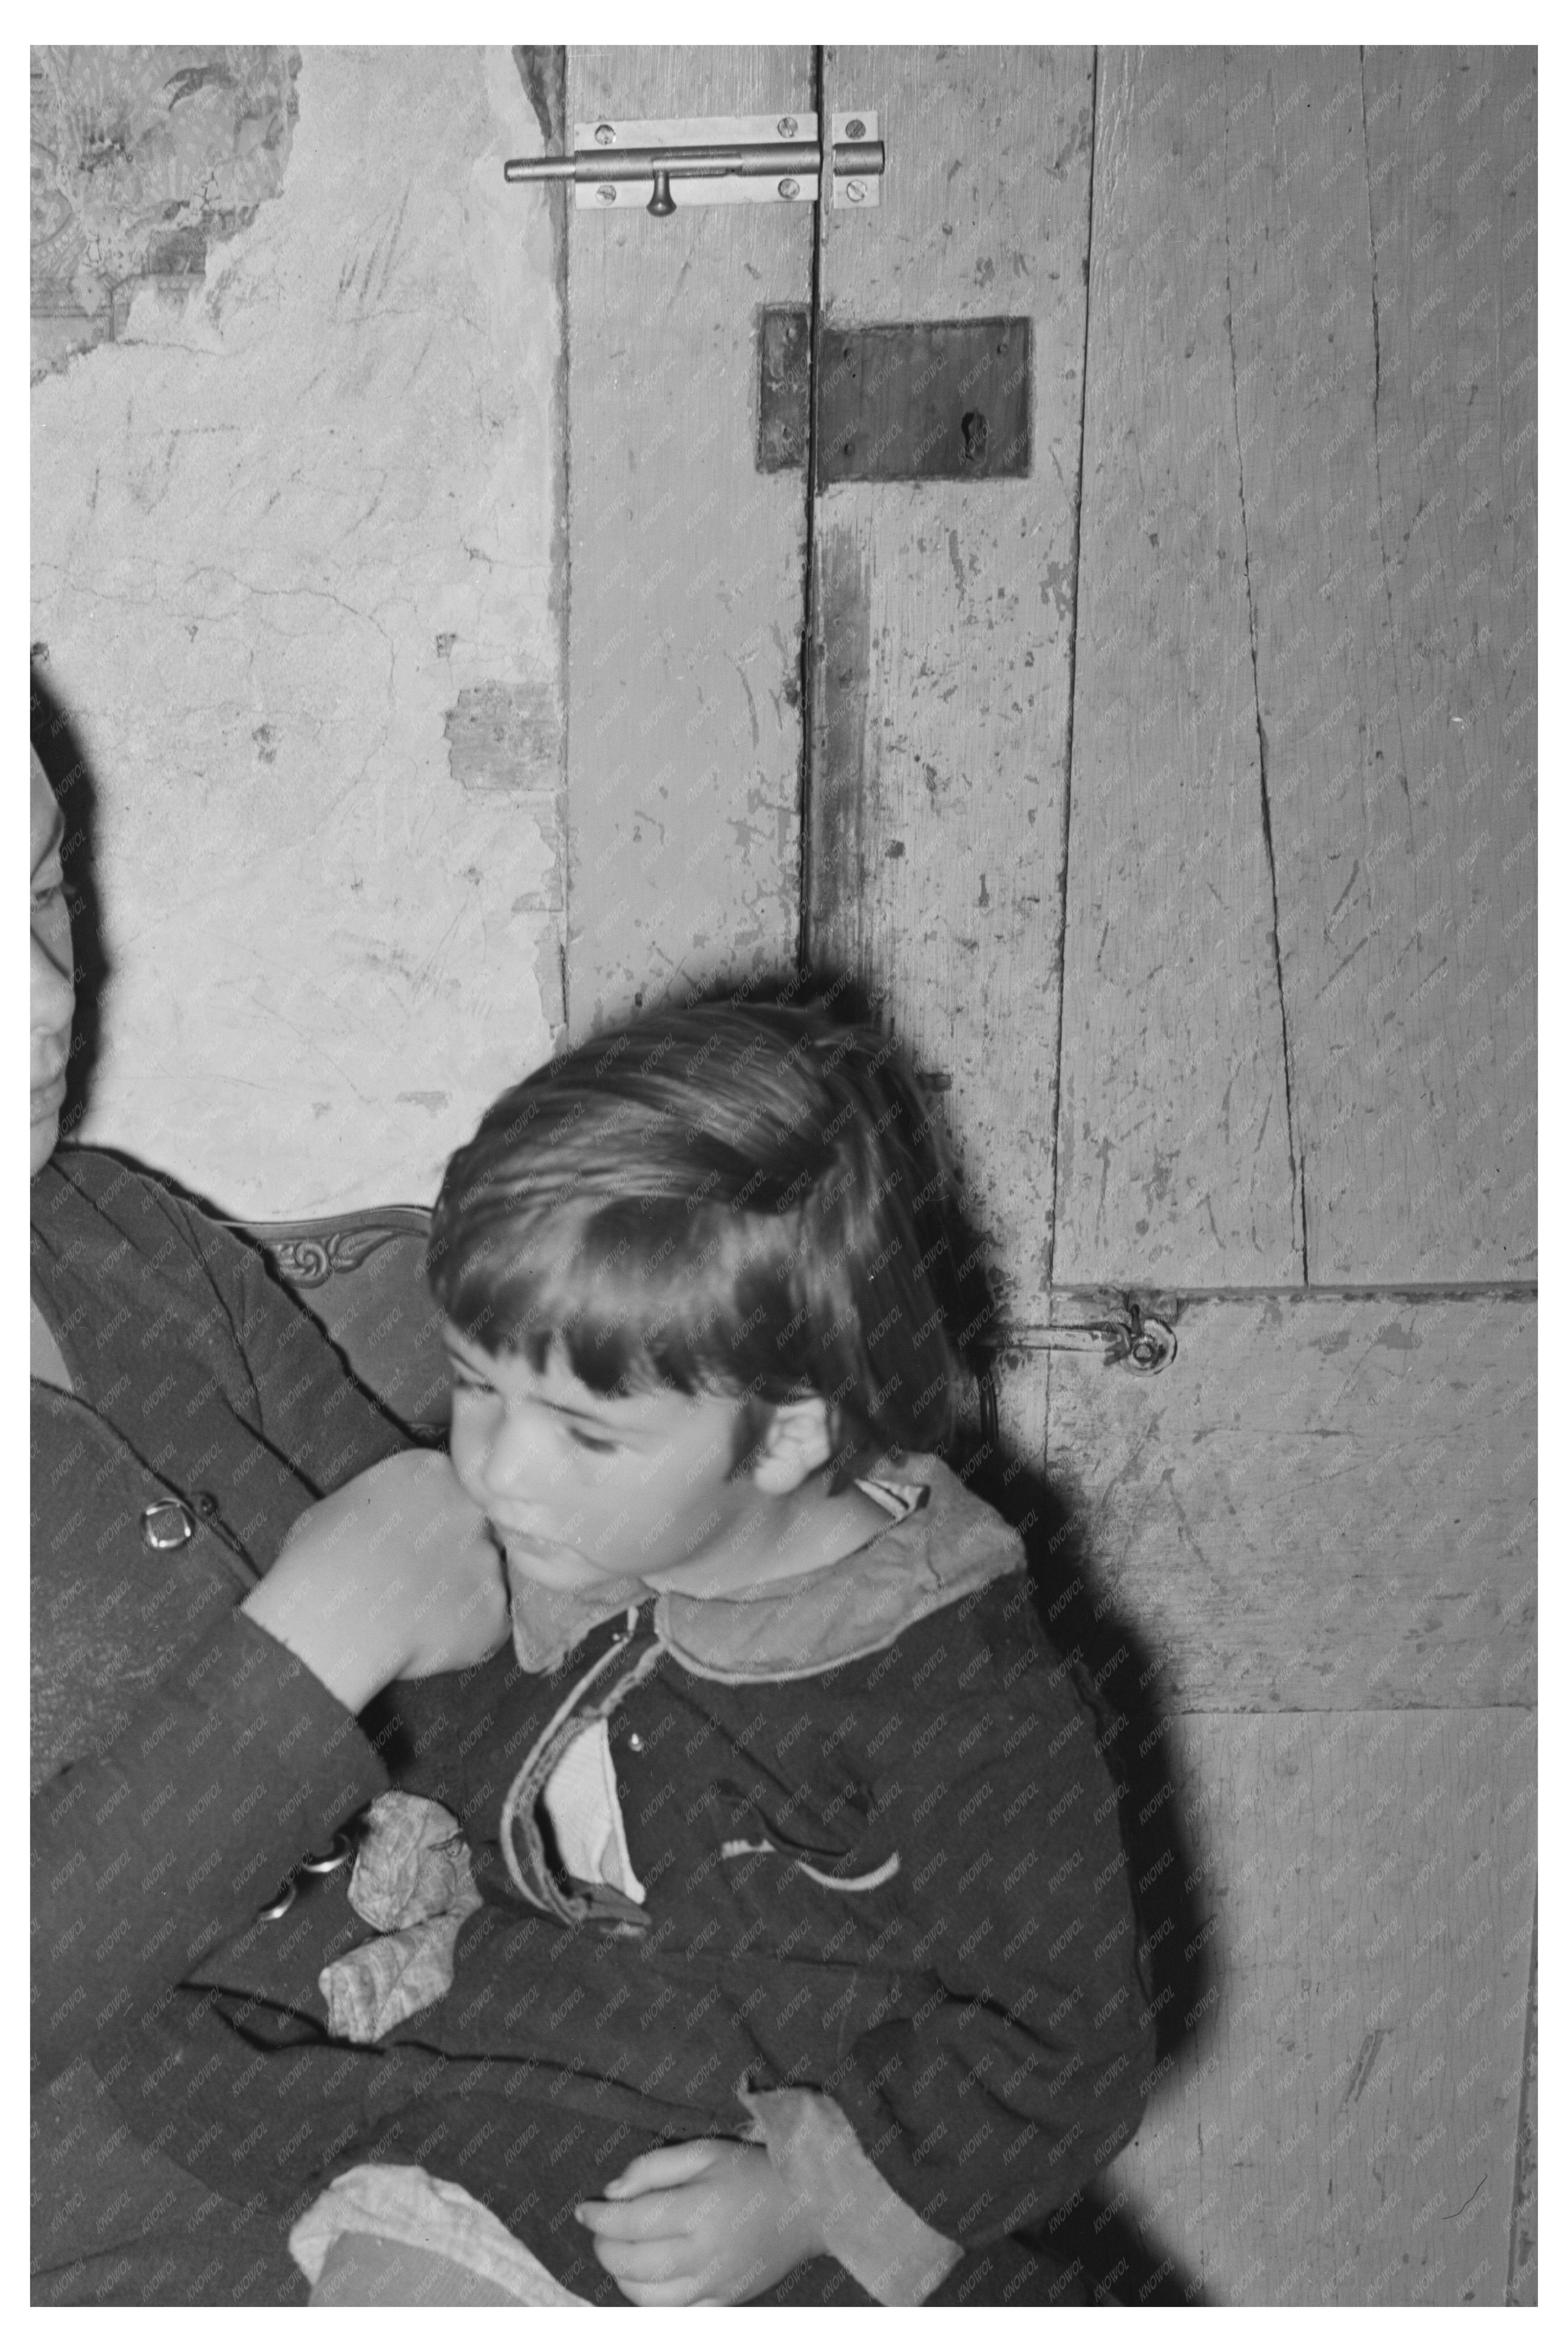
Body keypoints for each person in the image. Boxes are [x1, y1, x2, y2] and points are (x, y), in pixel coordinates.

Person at [108, 995, 1154, 2306]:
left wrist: (805, 2199)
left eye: (582, 1431)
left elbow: (1068, 2042)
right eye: (476, 1382)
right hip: (487, 2134)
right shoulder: (567, 1539)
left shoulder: (959, 1694)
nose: (494, 1466)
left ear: (786, 1432)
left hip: (759, 2198)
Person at [30, 735, 510, 2305]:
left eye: (41, 893)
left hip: (430, 2117)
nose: (39, 995)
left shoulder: (117, 1230)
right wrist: (311, 1651)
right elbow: (381, 1585)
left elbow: (470, 1592)